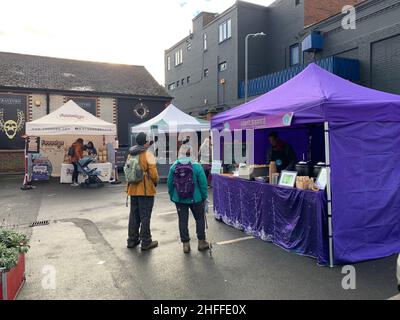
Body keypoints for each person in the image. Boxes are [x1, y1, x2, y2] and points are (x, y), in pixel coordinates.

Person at [167, 153, 209, 254]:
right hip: (196, 198)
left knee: (182, 221)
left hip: (179, 198)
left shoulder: (174, 166)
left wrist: (172, 196)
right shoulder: (197, 166)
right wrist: (204, 197)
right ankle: (201, 242)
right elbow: (203, 183)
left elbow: (169, 183)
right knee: (199, 219)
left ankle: (186, 245)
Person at [126, 132, 159, 251]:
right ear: (145, 142)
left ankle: (132, 240)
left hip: (132, 189)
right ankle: (146, 241)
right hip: (145, 190)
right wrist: (155, 182)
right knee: (145, 216)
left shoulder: (131, 154)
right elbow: (154, 174)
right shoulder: (147, 154)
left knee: (134, 215)